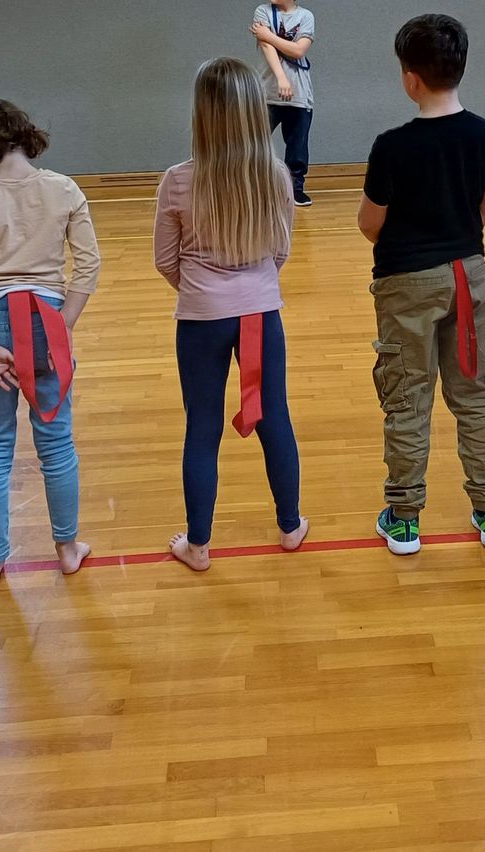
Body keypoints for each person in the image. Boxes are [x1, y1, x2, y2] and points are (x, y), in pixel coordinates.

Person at [358, 14, 485, 556]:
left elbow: (369, 223)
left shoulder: (392, 146)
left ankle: (404, 519)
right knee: (476, 393)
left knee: (407, 398)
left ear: (410, 79)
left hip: (405, 284)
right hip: (468, 277)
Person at [154, 57, 308, 572]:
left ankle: (198, 546)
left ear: (200, 113)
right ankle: (290, 526)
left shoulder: (178, 180)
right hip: (260, 313)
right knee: (274, 416)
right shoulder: (276, 176)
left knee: (202, 426)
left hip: (200, 318)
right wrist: (252, 286)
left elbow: (165, 260)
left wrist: (204, 293)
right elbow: (280, 250)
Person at [0, 98, 99, 587]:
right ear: (22, 134)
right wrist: (64, 326)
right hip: (46, 319)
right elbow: (89, 265)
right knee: (56, 439)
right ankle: (68, 550)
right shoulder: (64, 189)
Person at [251, 0, 316, 207]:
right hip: (267, 93)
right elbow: (266, 47)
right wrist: (281, 78)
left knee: (297, 147)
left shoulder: (306, 16)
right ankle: (251, 186)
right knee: (253, 143)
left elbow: (298, 51)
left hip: (299, 95)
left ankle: (295, 188)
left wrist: (268, 35)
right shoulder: (262, 11)